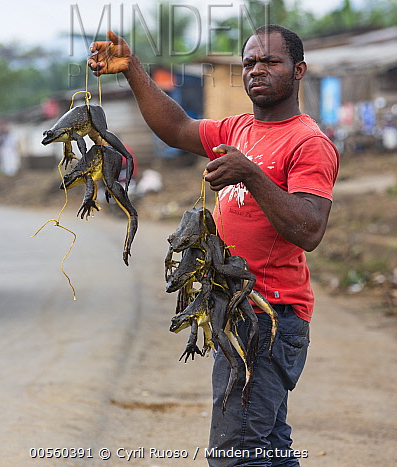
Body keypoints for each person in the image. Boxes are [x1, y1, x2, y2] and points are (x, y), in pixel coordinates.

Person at [88, 25, 338, 466]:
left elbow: (310, 229)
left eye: (270, 62)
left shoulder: (309, 143)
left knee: (235, 455)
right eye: (250, 63)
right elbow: (177, 127)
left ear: (298, 71)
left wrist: (251, 174)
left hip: (268, 316)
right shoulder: (239, 128)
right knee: (266, 450)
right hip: (238, 310)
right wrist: (133, 70)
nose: (257, 70)